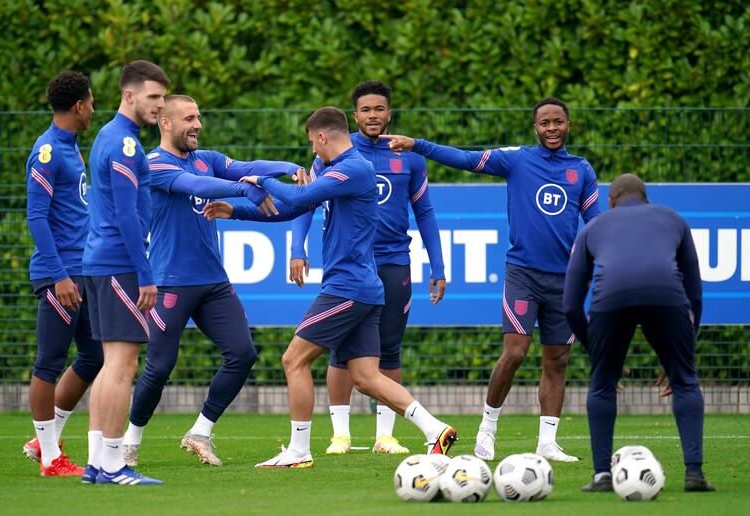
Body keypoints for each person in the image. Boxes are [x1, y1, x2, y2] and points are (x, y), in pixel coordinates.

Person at [203, 107, 457, 468]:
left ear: (322, 137)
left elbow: (296, 197)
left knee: (293, 360)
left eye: (312, 143)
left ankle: (298, 450)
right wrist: (236, 210)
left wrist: (258, 180)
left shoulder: (352, 169)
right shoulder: (342, 171)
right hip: (363, 288)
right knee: (367, 377)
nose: (313, 153)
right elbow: (293, 209)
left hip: (347, 287)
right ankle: (436, 430)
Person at [381, 97, 600, 462]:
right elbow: (466, 159)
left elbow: (596, 222)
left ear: (568, 125)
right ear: (535, 128)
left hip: (564, 280)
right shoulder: (517, 159)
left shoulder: (582, 170)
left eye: (557, 121)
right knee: (514, 352)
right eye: (544, 122)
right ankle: (488, 427)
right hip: (523, 274)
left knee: (557, 360)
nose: (551, 128)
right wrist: (416, 144)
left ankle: (547, 443)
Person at [122, 94, 305, 467]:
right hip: (170, 282)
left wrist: (287, 166)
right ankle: (129, 442)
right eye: (189, 118)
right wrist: (245, 188)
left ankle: (200, 432)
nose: (198, 125)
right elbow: (199, 187)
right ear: (166, 122)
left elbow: (245, 166)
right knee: (159, 366)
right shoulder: (154, 164)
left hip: (213, 282)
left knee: (243, 353)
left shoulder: (208, 158)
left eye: (199, 117)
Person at [289, 81, 445, 455]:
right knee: (339, 350)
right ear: (354, 116)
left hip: (392, 264)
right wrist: (297, 248)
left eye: (380, 109)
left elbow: (424, 212)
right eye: (365, 110)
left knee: (387, 350)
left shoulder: (408, 157)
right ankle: (340, 434)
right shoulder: (331, 155)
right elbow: (305, 204)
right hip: (354, 267)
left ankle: (385, 436)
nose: (373, 115)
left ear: (389, 113)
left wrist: (437, 265)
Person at [563, 173, 715, 493]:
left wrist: (597, 351)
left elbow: (570, 306)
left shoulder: (592, 228)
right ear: (646, 198)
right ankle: (694, 474)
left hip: (610, 300)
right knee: (684, 380)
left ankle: (602, 476)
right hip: (667, 297)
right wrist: (684, 350)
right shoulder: (674, 220)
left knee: (602, 383)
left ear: (610, 201)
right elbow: (696, 294)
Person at [82, 60, 169, 485]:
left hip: (100, 262)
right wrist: (146, 273)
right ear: (129, 95)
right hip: (119, 263)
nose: (159, 105)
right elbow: (127, 216)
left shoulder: (109, 136)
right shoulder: (126, 144)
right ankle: (113, 465)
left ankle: (97, 462)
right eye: (153, 97)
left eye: (162, 97)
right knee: (123, 364)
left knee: (109, 363)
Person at [24, 70, 102, 476]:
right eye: (90, 101)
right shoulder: (48, 151)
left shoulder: (71, 147)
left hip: (83, 270)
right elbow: (36, 217)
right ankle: (52, 459)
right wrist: (59, 275)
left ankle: (45, 439)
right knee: (49, 362)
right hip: (62, 275)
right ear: (78, 106)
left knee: (96, 355)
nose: (93, 107)